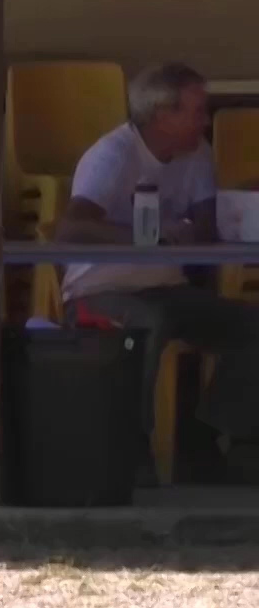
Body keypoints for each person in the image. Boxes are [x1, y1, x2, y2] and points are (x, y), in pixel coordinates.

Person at [58, 61, 259, 461]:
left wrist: (237, 212)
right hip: (99, 290)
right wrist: (145, 237)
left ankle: (213, 436)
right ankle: (130, 447)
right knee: (150, 321)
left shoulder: (198, 154)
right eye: (196, 111)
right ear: (162, 114)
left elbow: (205, 225)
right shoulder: (113, 154)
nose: (206, 121)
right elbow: (71, 229)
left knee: (252, 326)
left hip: (166, 287)